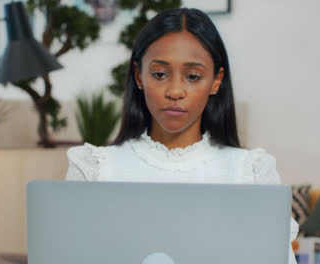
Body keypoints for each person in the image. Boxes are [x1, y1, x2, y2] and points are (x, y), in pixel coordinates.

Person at [66, 7, 299, 264]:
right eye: (160, 74)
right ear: (138, 76)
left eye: (192, 76)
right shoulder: (94, 170)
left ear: (216, 81)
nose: (175, 91)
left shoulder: (251, 174)